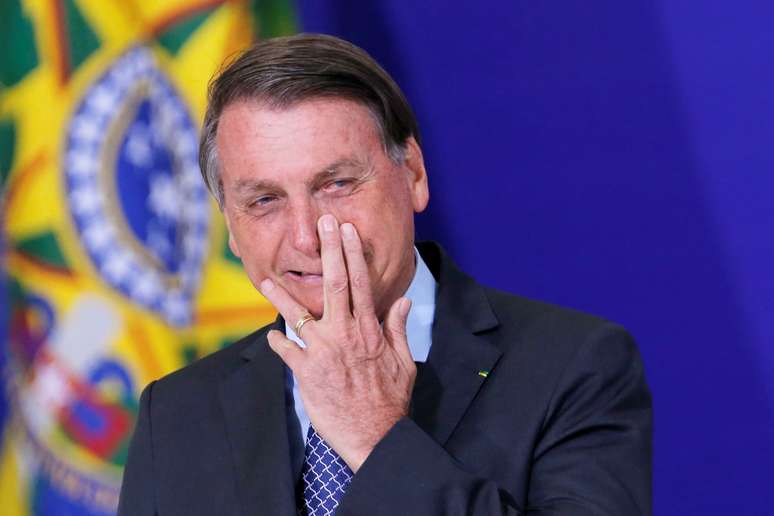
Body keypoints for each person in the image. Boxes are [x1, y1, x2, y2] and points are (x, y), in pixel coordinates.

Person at [118, 33, 652, 515]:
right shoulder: (177, 415)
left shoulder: (576, 366)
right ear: (230, 227)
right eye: (264, 200)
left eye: (337, 184)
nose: (307, 236)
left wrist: (375, 436)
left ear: (413, 174)